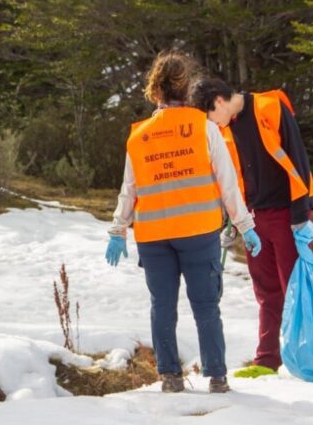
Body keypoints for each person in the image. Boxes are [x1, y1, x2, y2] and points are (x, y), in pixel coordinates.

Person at [105, 50, 262, 394]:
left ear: (155, 90)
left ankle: (170, 377)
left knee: (162, 306)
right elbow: (228, 182)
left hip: (154, 236)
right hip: (198, 233)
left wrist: (118, 230)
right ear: (187, 88)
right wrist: (245, 224)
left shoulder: (139, 136)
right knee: (206, 306)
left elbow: (128, 190)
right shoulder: (204, 129)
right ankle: (218, 378)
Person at [190, 78, 313, 379]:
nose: (212, 123)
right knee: (266, 291)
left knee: (295, 289)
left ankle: (309, 358)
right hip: (254, 219)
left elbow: (297, 156)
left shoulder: (269, 107)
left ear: (218, 101)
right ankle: (267, 360)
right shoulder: (224, 128)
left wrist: (301, 213)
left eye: (210, 115)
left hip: (287, 213)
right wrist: (234, 221)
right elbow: (230, 177)